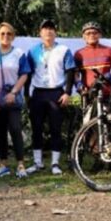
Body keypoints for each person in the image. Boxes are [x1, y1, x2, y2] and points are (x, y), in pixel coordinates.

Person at [26, 19, 76, 175]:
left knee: (55, 129)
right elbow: (28, 74)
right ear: (40, 33)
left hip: (56, 93)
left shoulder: (64, 50)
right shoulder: (32, 51)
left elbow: (70, 72)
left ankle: (55, 163)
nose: (48, 31)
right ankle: (37, 162)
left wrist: (67, 92)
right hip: (38, 93)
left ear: (55, 32)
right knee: (36, 128)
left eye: (51, 29)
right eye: (45, 29)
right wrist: (26, 94)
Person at [0, 22, 30, 178]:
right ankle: (3, 164)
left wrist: (14, 92)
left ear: (13, 36)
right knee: (0, 132)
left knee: (15, 129)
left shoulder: (19, 53)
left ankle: (21, 165)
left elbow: (24, 74)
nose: (6, 37)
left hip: (13, 97)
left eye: (9, 34)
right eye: (2, 34)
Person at [74, 21, 111, 112]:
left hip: (107, 93)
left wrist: (110, 75)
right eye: (88, 33)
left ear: (99, 35)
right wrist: (78, 84)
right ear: (83, 36)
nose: (91, 35)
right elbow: (75, 74)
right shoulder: (79, 54)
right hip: (88, 94)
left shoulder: (108, 50)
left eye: (95, 33)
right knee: (89, 124)